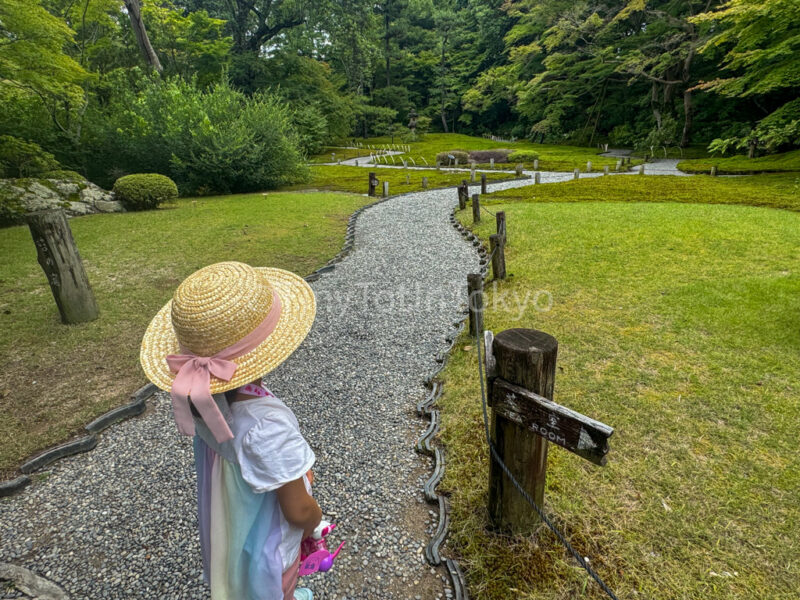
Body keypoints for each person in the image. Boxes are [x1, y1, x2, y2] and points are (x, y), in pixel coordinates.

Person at [140, 261, 322, 600]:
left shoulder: (201, 399)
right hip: (270, 548)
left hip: (231, 525)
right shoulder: (267, 424)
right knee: (275, 587)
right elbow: (298, 510)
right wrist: (315, 519)